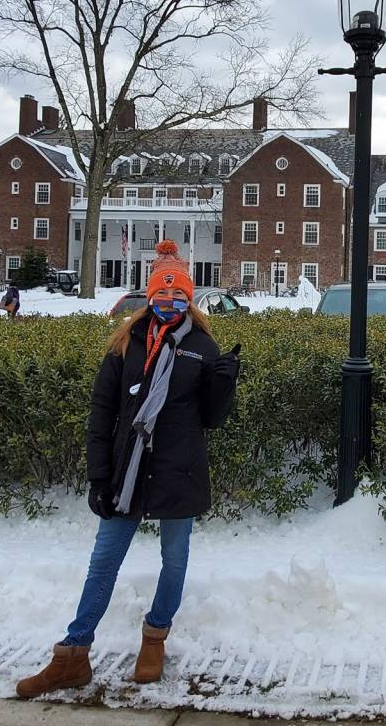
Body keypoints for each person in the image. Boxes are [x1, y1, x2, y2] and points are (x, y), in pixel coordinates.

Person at [16, 239, 242, 698]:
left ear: (191, 298)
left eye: (179, 295)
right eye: (163, 294)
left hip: (180, 469)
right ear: (150, 294)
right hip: (128, 472)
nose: (170, 302)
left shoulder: (202, 345)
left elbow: (212, 420)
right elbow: (102, 413)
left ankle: (155, 637)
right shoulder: (126, 343)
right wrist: (99, 475)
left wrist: (224, 384)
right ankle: (73, 654)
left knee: (174, 560)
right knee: (103, 561)